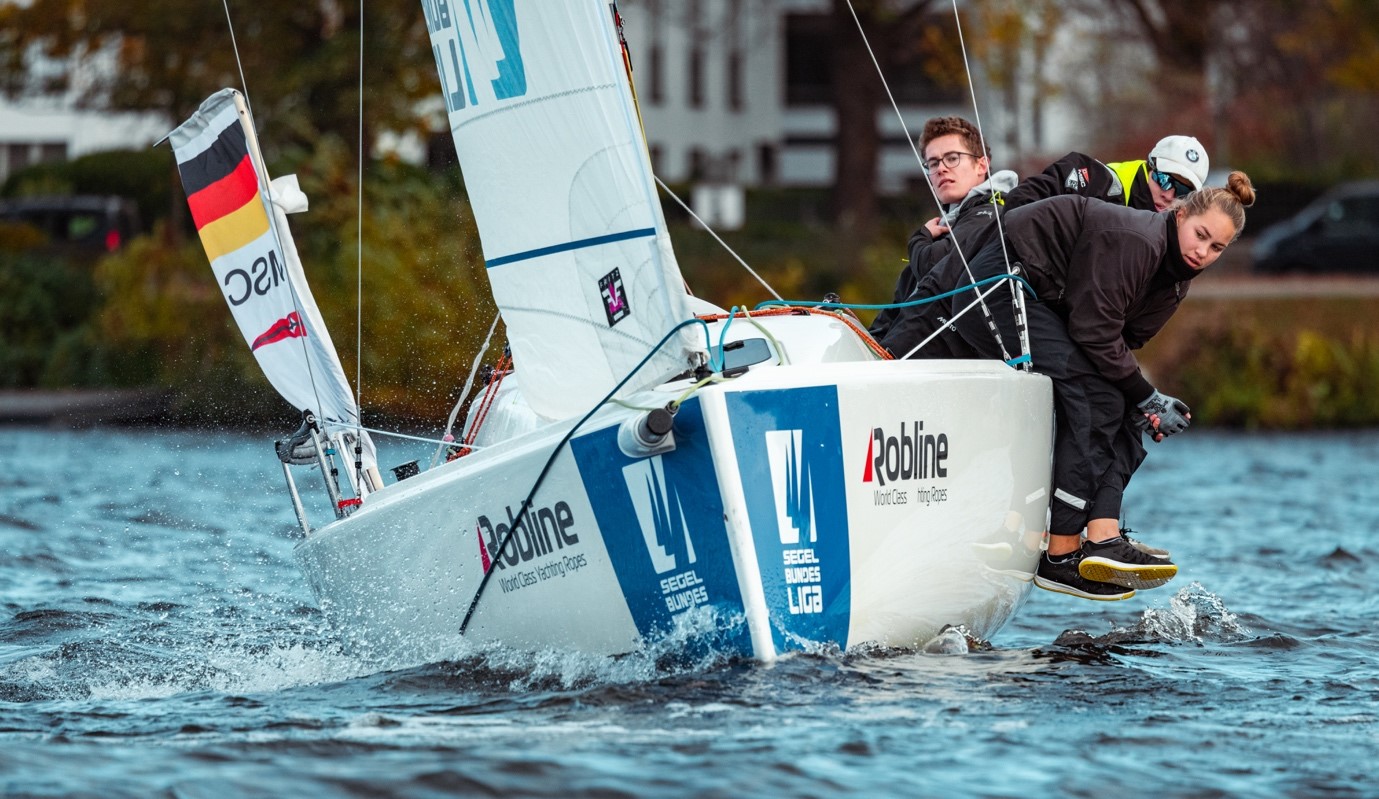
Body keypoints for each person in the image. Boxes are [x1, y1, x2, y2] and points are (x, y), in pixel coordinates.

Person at [941, 171, 1256, 601]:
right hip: (997, 284)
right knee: (1101, 398)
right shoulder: (1138, 240)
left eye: (1216, 247)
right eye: (1200, 235)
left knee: (1120, 400)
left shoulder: (1176, 281)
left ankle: (1103, 534)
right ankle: (1059, 554)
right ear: (1180, 214)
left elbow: (1122, 344)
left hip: (1050, 303)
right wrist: (1148, 396)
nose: (1203, 251)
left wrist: (1142, 404)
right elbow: (1093, 331)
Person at [869, 116, 1017, 356]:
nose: (941, 169)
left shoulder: (990, 214)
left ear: (982, 165)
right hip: (906, 358)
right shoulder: (947, 227)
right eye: (933, 163)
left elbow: (933, 268)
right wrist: (869, 341)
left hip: (951, 363)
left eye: (952, 158)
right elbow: (899, 306)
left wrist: (919, 238)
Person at [1004, 135, 1210, 213]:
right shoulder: (1093, 179)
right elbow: (1020, 201)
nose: (1169, 195)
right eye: (1164, 180)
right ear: (1150, 167)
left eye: (1182, 191)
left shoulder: (1183, 235)